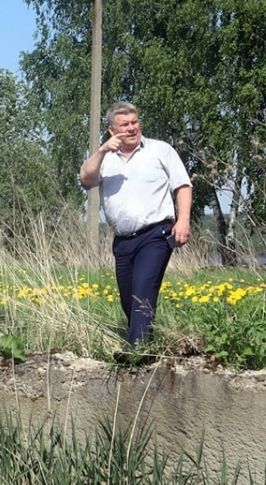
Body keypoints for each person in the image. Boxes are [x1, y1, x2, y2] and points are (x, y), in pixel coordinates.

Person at [79, 100, 191, 346]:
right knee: (129, 300)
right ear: (112, 130)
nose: (131, 128)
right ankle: (147, 344)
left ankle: (136, 351)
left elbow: (182, 185)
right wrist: (101, 151)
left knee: (143, 289)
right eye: (124, 124)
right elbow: (86, 179)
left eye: (134, 122)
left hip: (156, 234)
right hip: (122, 242)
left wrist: (183, 221)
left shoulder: (159, 150)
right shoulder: (105, 159)